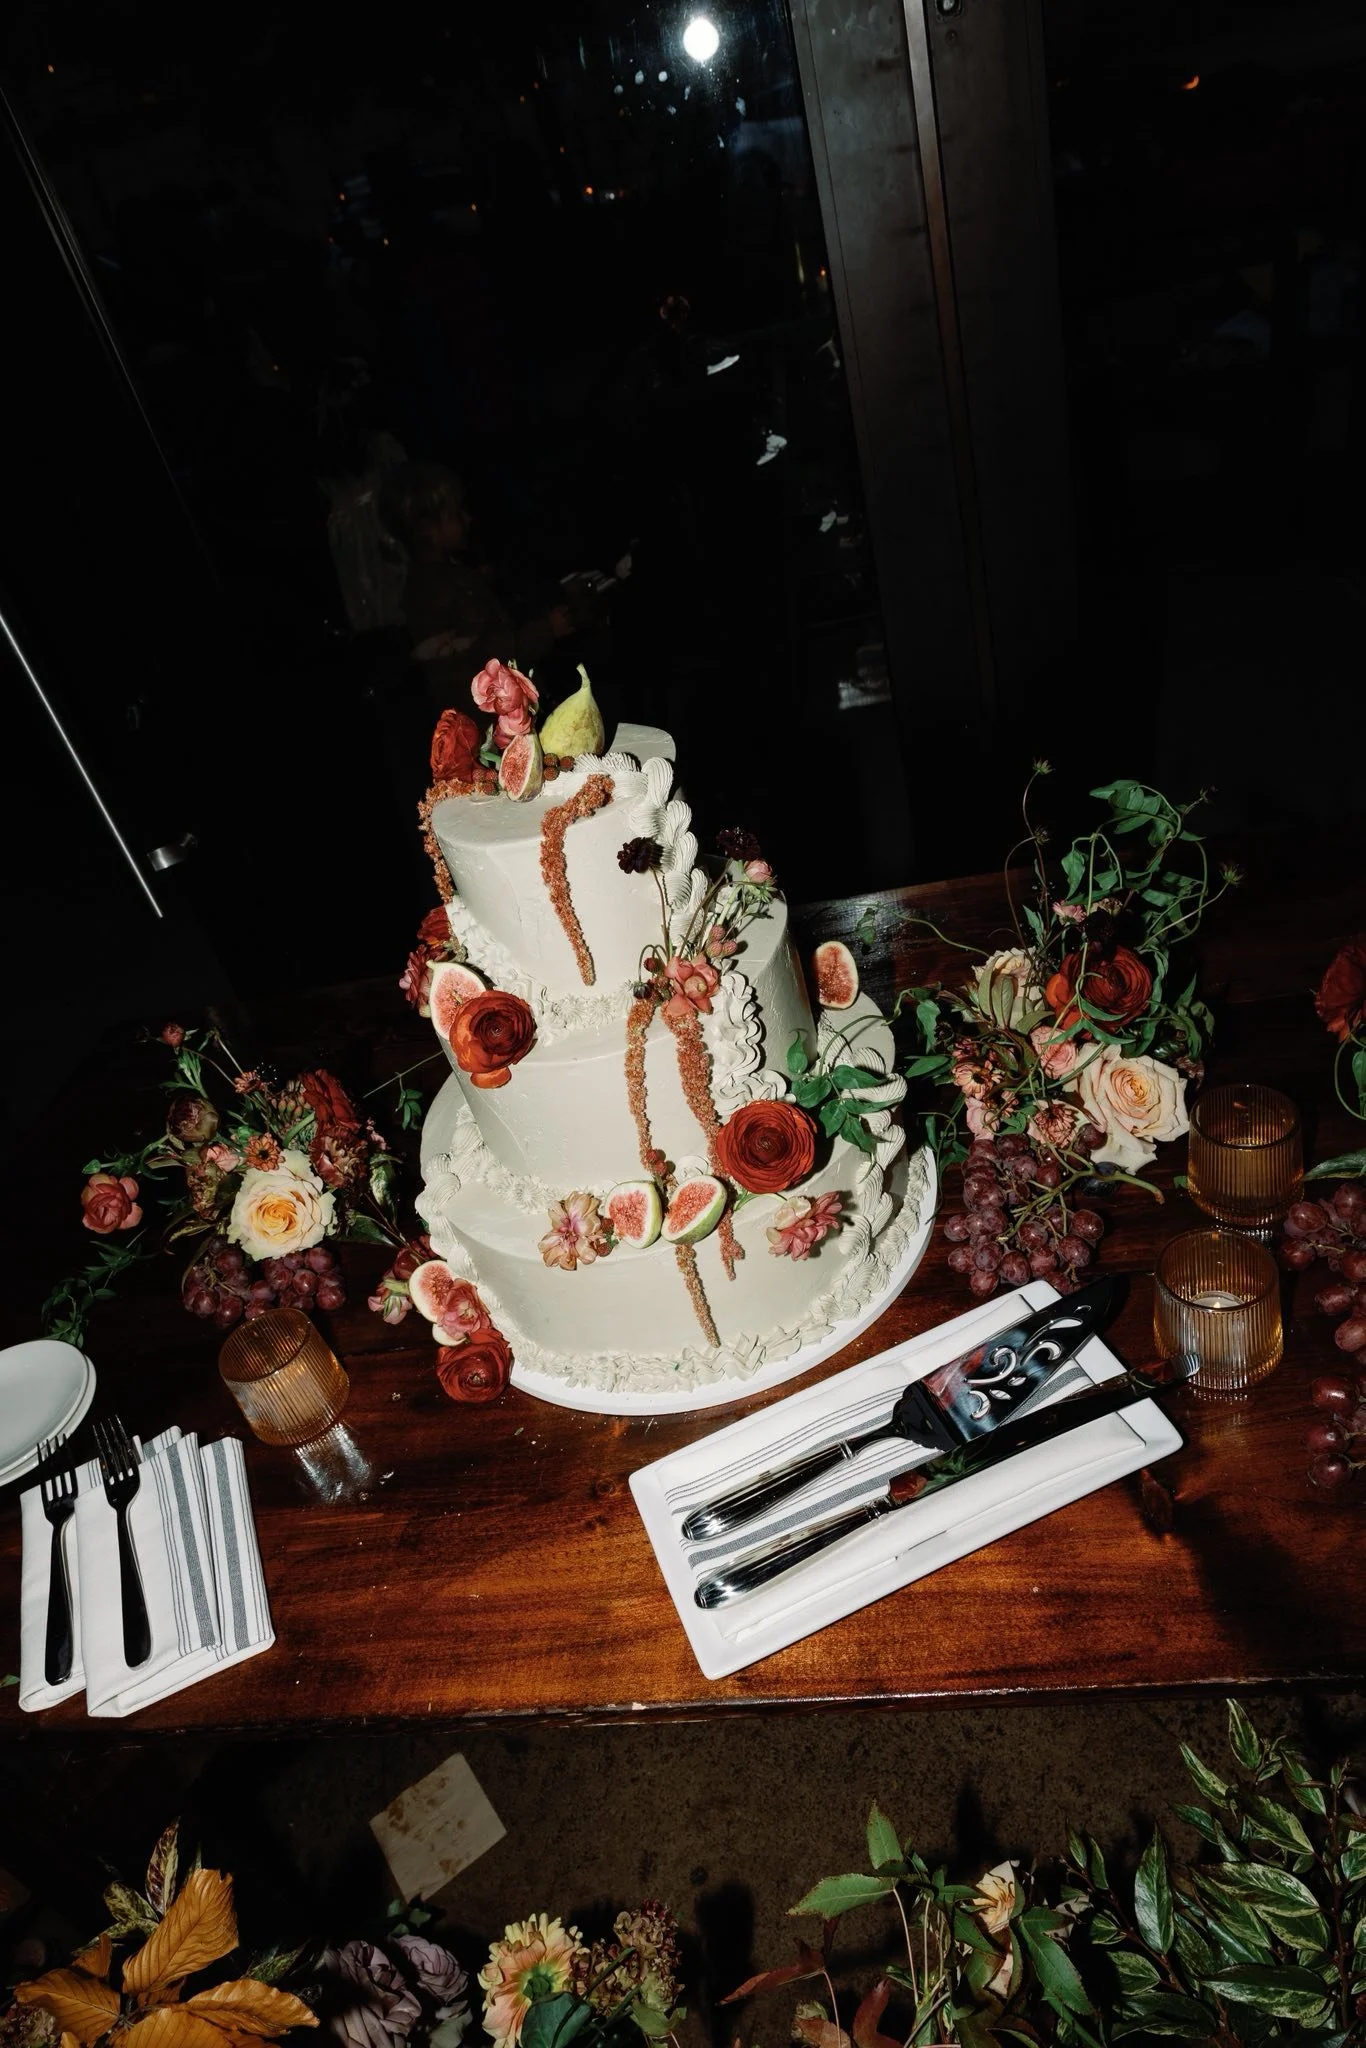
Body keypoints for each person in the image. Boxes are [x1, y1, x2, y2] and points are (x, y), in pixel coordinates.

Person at [378, 462, 576, 704]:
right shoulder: (436, 590)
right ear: (429, 530)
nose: (468, 519)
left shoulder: (449, 575)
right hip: (493, 721)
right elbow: (490, 655)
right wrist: (547, 630)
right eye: (457, 514)